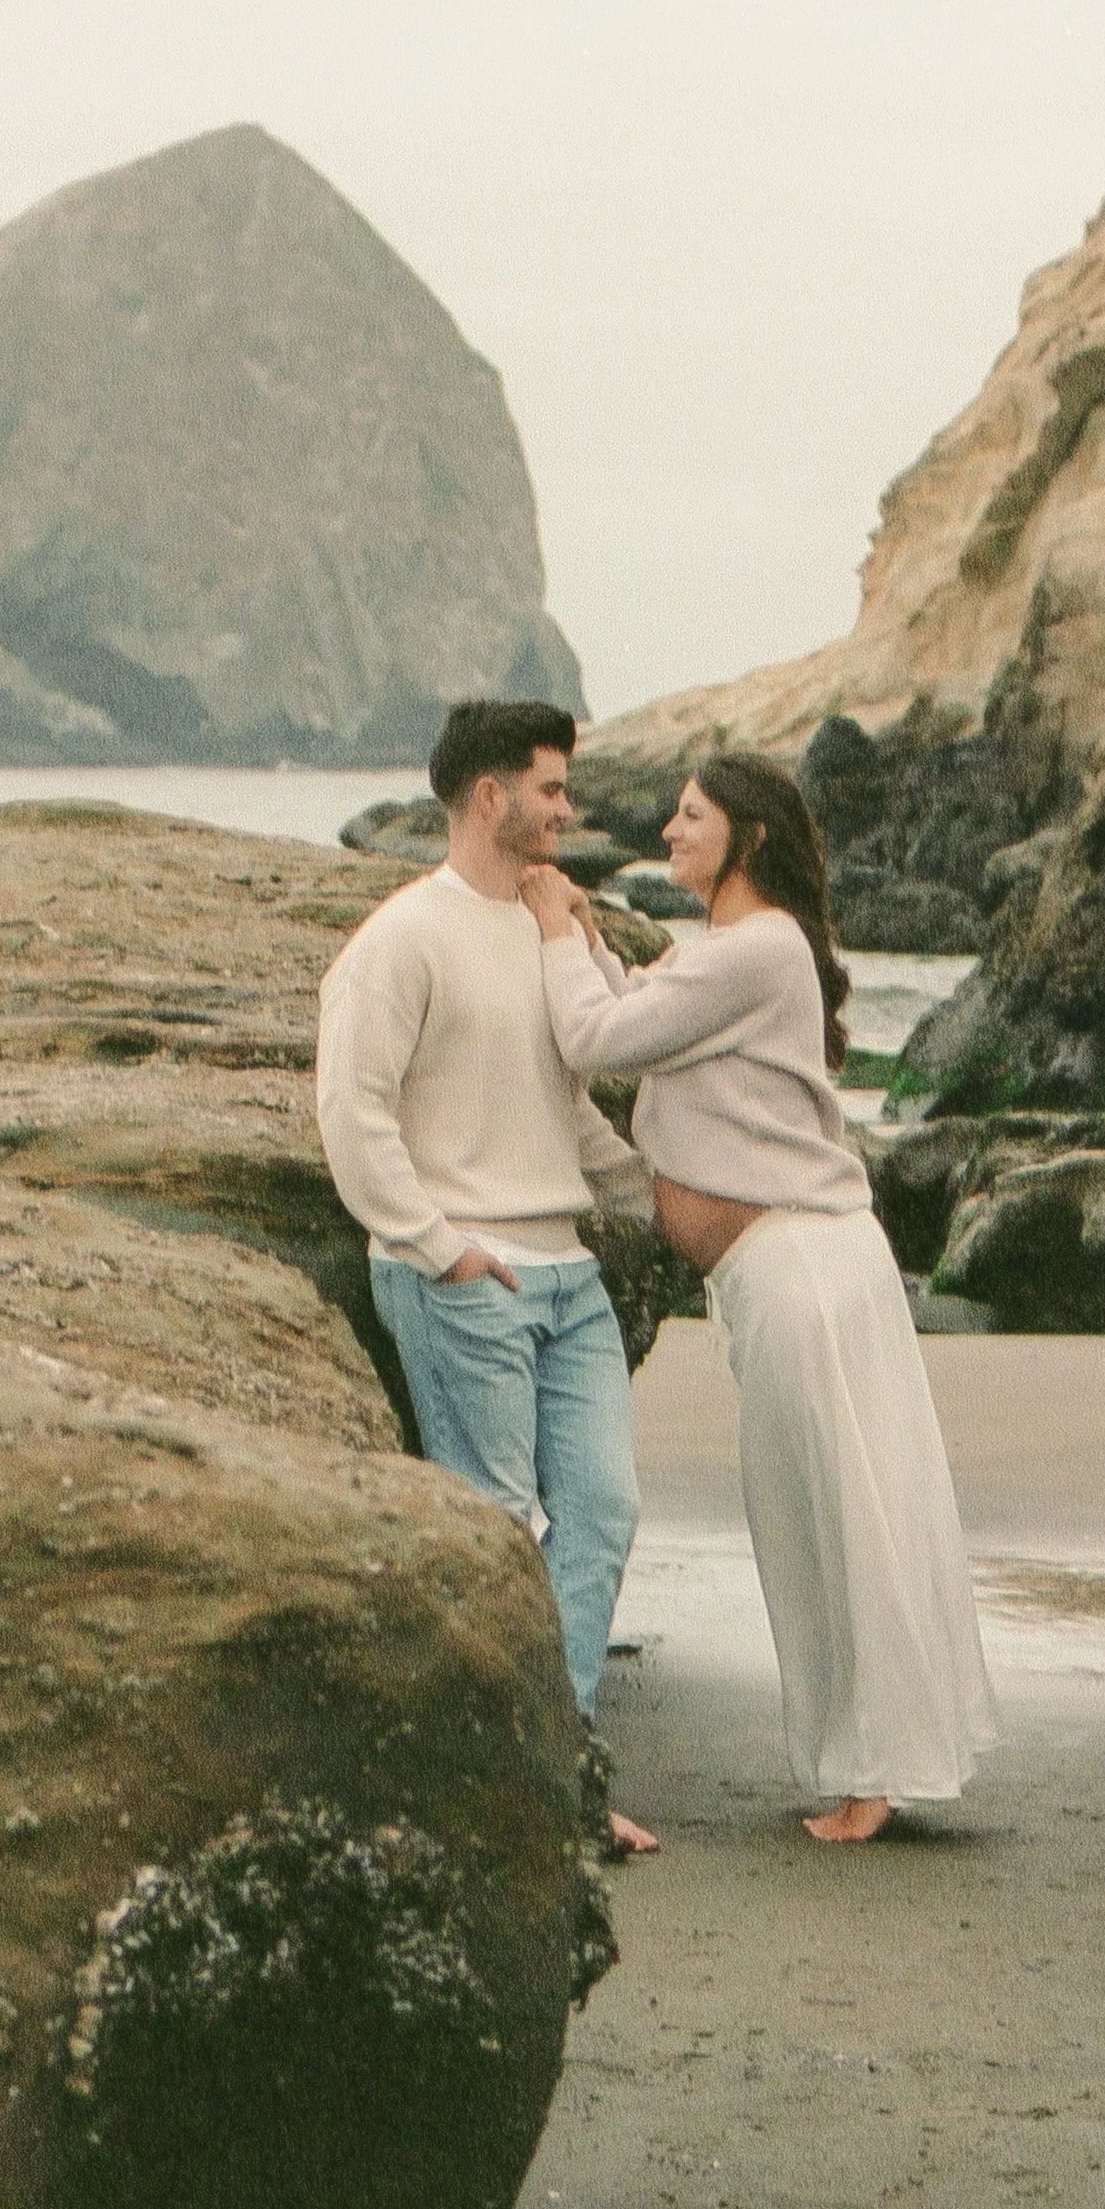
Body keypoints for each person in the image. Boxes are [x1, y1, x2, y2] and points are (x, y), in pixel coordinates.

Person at [521, 752, 996, 1843]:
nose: (670, 829)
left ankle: (873, 1779)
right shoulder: (734, 953)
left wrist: (554, 927)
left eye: (693, 816)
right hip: (780, 1273)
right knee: (812, 1514)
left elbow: (596, 1035)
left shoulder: (761, 947)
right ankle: (861, 1769)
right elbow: (641, 1004)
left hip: (806, 1269)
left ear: (751, 837)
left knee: (839, 1517)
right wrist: (588, 941)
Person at [316, 696, 658, 1853]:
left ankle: (549, 1768)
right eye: (552, 789)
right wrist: (436, 1245)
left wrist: (668, 1207)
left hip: (566, 1276)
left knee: (601, 1512)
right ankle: (525, 1795)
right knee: (497, 1532)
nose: (570, 809)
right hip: (464, 1273)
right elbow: (352, 1111)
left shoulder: (555, 931)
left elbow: (574, 1106)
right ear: (488, 797)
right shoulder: (402, 938)